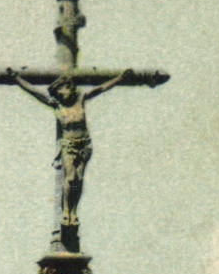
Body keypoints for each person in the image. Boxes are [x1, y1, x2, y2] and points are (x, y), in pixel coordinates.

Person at [9, 69, 134, 231]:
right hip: (69, 145)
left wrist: (120, 78)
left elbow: (101, 88)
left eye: (63, 91)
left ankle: (74, 212)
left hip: (85, 144)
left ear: (69, 88)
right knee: (71, 178)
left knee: (79, 179)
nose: (62, 96)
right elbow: (34, 92)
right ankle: (66, 211)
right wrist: (17, 79)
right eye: (59, 94)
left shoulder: (81, 100)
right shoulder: (57, 105)